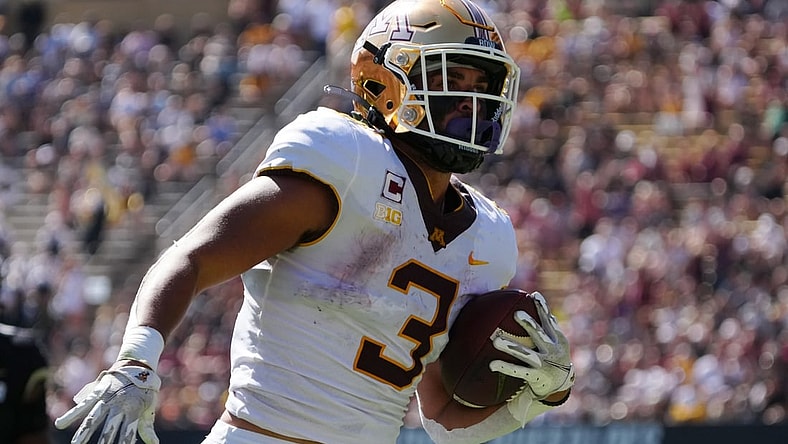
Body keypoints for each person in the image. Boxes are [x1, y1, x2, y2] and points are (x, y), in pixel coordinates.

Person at [54, 0, 574, 442]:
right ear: (387, 82)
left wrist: (539, 396)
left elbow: (443, 422)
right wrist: (137, 361)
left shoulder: (490, 236)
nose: (470, 99)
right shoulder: (346, 159)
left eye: (481, 83)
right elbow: (192, 256)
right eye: (451, 77)